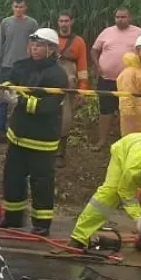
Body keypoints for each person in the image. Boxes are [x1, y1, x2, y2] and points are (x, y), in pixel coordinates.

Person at [68, 133, 141, 258]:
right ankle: (79, 237)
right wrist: (138, 219)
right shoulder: (132, 169)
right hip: (124, 150)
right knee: (109, 193)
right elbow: (126, 193)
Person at [0, 28, 68, 236]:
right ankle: (12, 218)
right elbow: (9, 79)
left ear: (52, 49)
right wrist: (7, 89)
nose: (35, 49)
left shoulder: (57, 76)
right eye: (33, 45)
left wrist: (20, 100)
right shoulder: (22, 65)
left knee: (42, 182)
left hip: (41, 139)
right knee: (12, 178)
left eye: (39, 46)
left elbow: (49, 105)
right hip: (18, 135)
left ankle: (41, 224)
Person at [90, 8, 141, 151]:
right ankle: (102, 141)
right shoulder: (107, 32)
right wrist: (98, 66)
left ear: (130, 18)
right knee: (105, 111)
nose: (120, 19)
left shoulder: (139, 33)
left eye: (123, 17)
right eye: (117, 17)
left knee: (129, 111)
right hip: (107, 79)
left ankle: (128, 142)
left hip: (130, 81)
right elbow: (94, 50)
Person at [0, 0, 39, 145]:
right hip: (7, 65)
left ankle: (23, 130)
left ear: (25, 8)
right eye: (16, 7)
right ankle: (0, 131)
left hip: (25, 65)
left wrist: (34, 61)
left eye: (21, 7)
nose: (18, 9)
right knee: (3, 97)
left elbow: (35, 43)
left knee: (24, 96)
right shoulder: (6, 23)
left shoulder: (32, 24)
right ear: (12, 7)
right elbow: (0, 44)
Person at [55, 10, 89, 167]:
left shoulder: (78, 42)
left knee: (65, 117)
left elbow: (82, 67)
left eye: (66, 21)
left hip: (68, 84)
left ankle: (61, 152)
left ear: (71, 22)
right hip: (51, 81)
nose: (63, 24)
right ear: (57, 23)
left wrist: (82, 88)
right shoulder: (51, 39)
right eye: (61, 21)